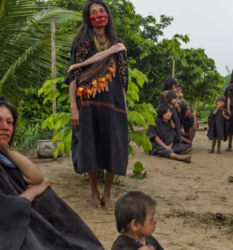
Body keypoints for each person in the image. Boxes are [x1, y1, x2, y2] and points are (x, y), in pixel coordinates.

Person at [0, 92, 104, 250]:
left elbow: (36, 178)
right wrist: (32, 193)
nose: (5, 127)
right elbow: (0, 211)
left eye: (10, 123)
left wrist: (6, 148)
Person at [65, 0, 129, 210]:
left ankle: (107, 193)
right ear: (88, 17)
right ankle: (93, 190)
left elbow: (122, 78)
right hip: (89, 102)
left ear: (108, 15)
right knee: (89, 144)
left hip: (114, 103)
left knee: (115, 145)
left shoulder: (117, 43)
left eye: (102, 11)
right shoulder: (82, 42)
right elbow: (74, 75)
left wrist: (125, 107)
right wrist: (74, 107)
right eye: (94, 12)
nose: (99, 14)